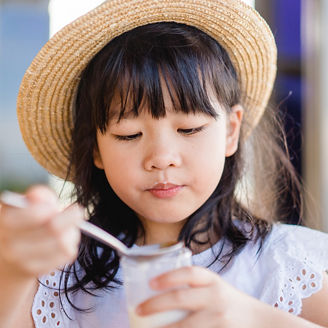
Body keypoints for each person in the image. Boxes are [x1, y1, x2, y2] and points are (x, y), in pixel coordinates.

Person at [0, 0, 328, 327]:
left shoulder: (285, 263)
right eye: (129, 135)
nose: (161, 158)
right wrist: (12, 267)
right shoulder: (57, 281)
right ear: (96, 149)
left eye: (189, 129)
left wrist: (256, 319)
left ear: (230, 130)